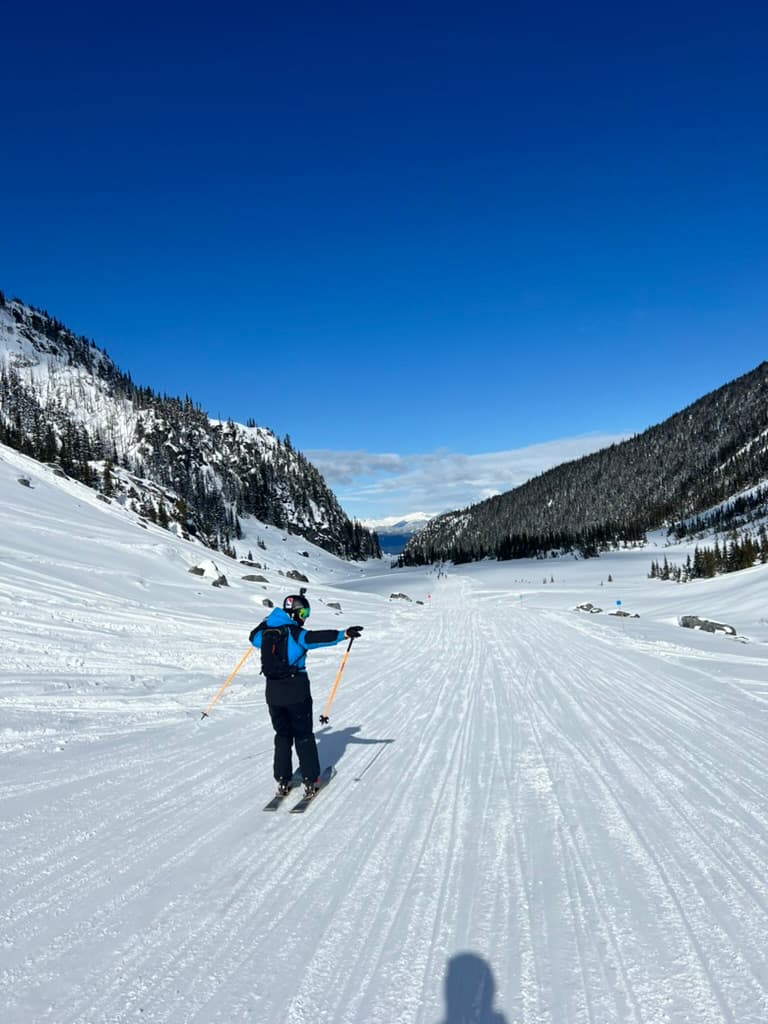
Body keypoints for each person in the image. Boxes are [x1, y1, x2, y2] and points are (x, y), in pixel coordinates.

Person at [250, 592, 363, 799]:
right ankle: (311, 780)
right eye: (303, 613)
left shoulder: (264, 634)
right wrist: (344, 634)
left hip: (273, 693)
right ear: (293, 613)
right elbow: (316, 638)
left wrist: (267, 621)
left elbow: (252, 637)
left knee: (282, 735)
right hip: (297, 690)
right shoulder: (295, 633)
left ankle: (282, 780)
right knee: (303, 735)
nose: (305, 617)